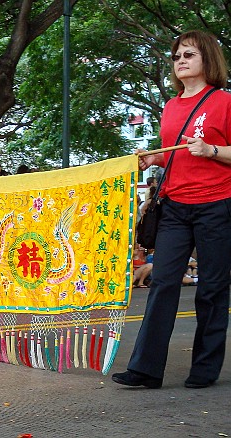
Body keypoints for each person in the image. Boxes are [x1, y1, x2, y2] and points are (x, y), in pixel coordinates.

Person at [112, 30, 231, 390]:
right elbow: (174, 154)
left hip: (217, 204)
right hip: (176, 206)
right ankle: (146, 369)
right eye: (177, 55)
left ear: (207, 59)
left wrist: (211, 150)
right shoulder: (170, 106)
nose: (181, 61)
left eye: (189, 54)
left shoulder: (225, 102)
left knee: (212, 287)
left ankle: (204, 369)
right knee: (162, 283)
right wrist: (152, 158)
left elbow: (213, 152)